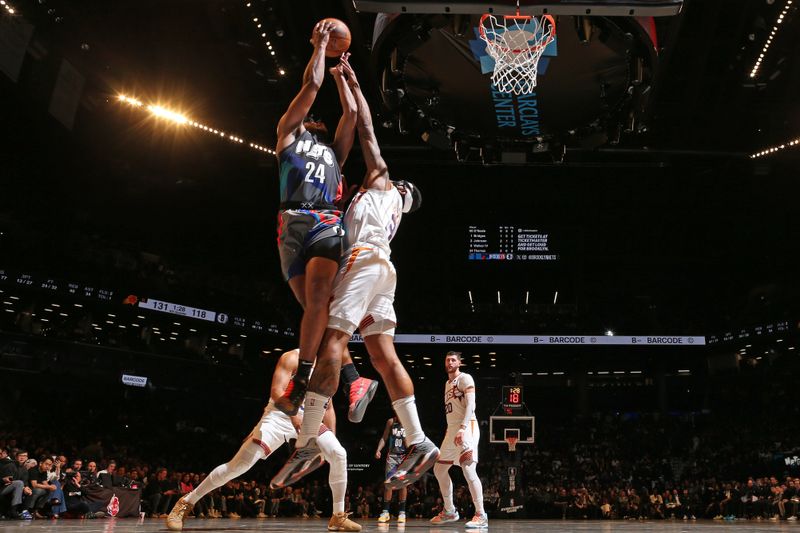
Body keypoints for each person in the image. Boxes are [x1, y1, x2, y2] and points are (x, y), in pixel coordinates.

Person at [273, 54, 437, 493]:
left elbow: (363, 129)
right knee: (384, 356)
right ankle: (419, 439)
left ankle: (308, 439)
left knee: (332, 338)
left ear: (401, 189)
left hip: (364, 262)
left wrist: (355, 86)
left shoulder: (383, 183)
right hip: (384, 270)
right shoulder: (391, 210)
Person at [273, 20, 377, 423]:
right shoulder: (287, 135)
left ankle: (300, 381)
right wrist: (319, 49)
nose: (314, 118)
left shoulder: (335, 152)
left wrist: (345, 77)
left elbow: (352, 112)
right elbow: (309, 88)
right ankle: (354, 379)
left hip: (324, 224)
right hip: (290, 227)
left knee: (318, 302)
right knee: (319, 317)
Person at [166, 349, 359, 532]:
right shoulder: (292, 357)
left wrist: (330, 438)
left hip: (310, 417)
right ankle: (186, 502)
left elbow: (329, 407)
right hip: (279, 415)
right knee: (238, 466)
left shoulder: (327, 367)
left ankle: (338, 516)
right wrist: (293, 417)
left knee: (339, 453)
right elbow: (277, 391)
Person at [430, 351, 488, 528]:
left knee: (468, 470)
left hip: (467, 426)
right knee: (439, 469)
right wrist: (453, 430)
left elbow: (471, 405)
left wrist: (462, 428)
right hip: (452, 430)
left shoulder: (465, 378)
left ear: (459, 363)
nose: (449, 362)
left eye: (453, 360)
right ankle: (449, 511)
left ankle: (481, 514)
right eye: (447, 360)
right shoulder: (447, 383)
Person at [375, 416, 408, 523]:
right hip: (392, 456)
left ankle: (402, 513)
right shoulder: (390, 421)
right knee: (389, 484)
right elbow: (384, 437)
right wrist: (378, 449)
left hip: (404, 456)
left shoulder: (409, 421)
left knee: (402, 484)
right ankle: (385, 512)